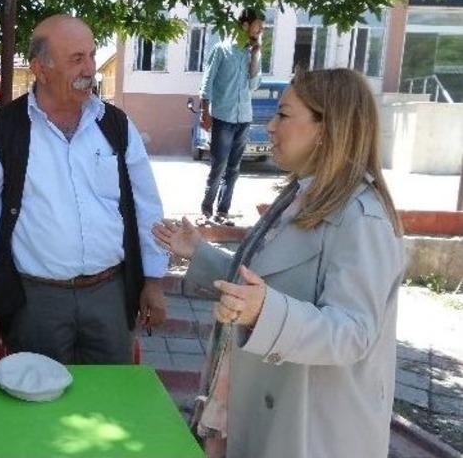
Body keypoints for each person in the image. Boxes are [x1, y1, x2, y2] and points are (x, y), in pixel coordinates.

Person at [153, 68, 405, 458]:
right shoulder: (302, 196)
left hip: (313, 431)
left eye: (283, 115)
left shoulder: (362, 217)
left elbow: (354, 332)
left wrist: (266, 314)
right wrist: (200, 253)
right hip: (267, 408)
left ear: (327, 127)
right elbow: (266, 286)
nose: (269, 126)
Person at [0, 15, 168, 365]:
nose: (90, 69)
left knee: (110, 403)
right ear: (40, 69)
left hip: (110, 296)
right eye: (77, 59)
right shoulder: (3, 130)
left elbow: (147, 206)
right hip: (36, 302)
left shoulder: (116, 125)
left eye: (90, 56)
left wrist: (154, 280)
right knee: (39, 409)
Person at [198, 8, 264, 226]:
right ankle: (206, 211)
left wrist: (254, 55)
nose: (262, 29)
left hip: (244, 118)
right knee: (218, 166)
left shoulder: (253, 52)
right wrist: (204, 112)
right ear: (245, 26)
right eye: (258, 25)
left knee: (234, 169)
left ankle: (222, 212)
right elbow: (207, 82)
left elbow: (254, 85)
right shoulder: (222, 49)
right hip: (223, 118)